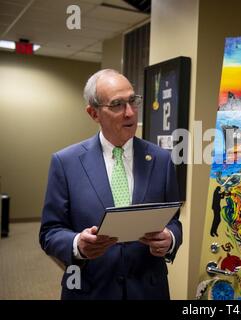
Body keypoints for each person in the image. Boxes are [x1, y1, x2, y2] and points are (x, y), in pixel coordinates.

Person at [39, 69, 182, 300]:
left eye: (132, 101)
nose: (130, 112)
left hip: (149, 290)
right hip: (90, 289)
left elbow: (174, 220)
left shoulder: (161, 160)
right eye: (117, 104)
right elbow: (49, 232)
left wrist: (171, 238)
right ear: (93, 113)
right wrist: (78, 245)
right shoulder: (65, 163)